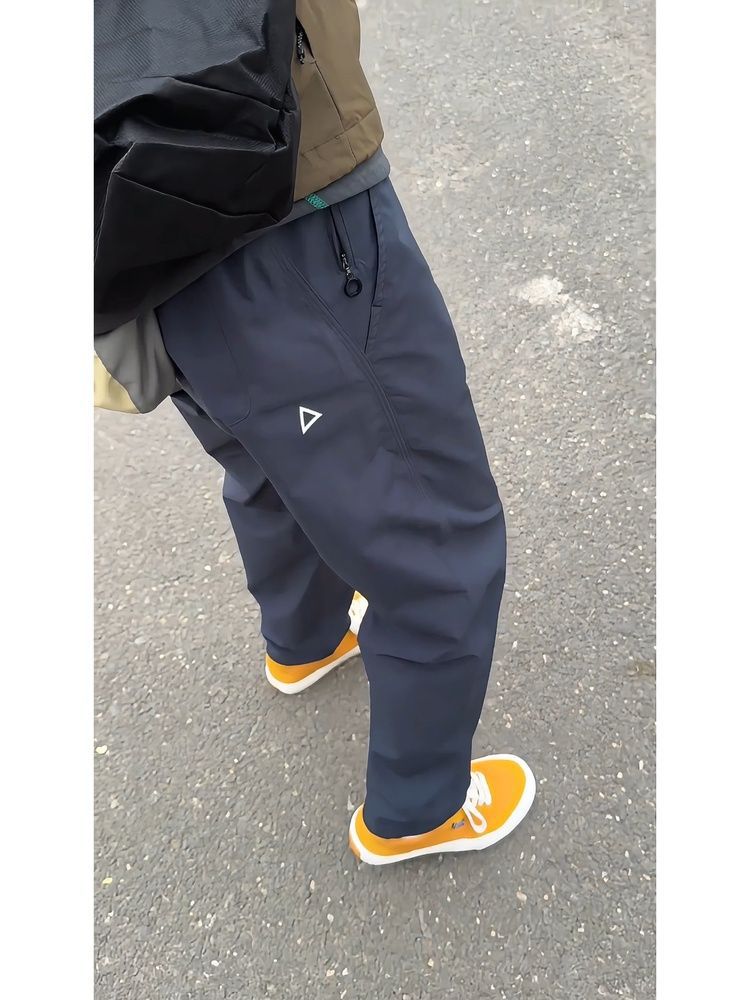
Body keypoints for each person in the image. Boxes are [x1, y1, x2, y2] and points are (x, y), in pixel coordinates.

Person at [95, 0, 535, 866]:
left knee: (265, 458)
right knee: (431, 524)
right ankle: (420, 806)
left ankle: (306, 639)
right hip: (276, 174)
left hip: (134, 192)